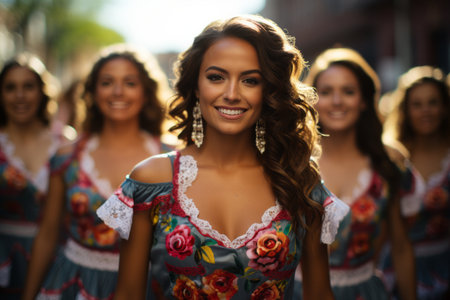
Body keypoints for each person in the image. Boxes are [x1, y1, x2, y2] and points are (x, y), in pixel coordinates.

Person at [97, 15, 349, 299]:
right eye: (216, 77)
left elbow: (319, 294)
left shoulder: (300, 182)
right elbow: (128, 293)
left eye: (250, 80)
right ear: (195, 86)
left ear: (269, 91)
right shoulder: (151, 182)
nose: (231, 94)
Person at [22, 44, 173, 300]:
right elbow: (47, 235)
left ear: (146, 92)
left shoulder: (172, 159)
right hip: (73, 283)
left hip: (149, 289)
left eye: (129, 82)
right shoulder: (67, 156)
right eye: (106, 82)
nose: (117, 91)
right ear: (92, 91)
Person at [296, 47, 418, 300]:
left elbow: (402, 248)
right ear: (313, 100)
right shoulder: (292, 165)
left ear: (363, 100)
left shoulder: (386, 166)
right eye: (326, 92)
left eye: (348, 91)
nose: (337, 101)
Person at [382, 65, 449, 299]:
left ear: (444, 107)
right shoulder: (392, 157)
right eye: (417, 104)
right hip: (395, 272)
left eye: (433, 102)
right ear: (405, 110)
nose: (426, 111)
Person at [0, 52, 63, 299]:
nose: (19, 96)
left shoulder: (66, 144)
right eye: (10, 87)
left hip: (57, 260)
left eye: (28, 86)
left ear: (42, 91)